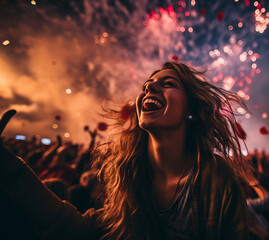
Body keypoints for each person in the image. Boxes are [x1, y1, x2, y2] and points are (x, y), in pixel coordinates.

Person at [0, 62, 251, 240]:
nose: (149, 89)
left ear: (190, 110)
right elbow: (81, 229)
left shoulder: (217, 177)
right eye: (147, 85)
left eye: (168, 84)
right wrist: (11, 168)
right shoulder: (129, 174)